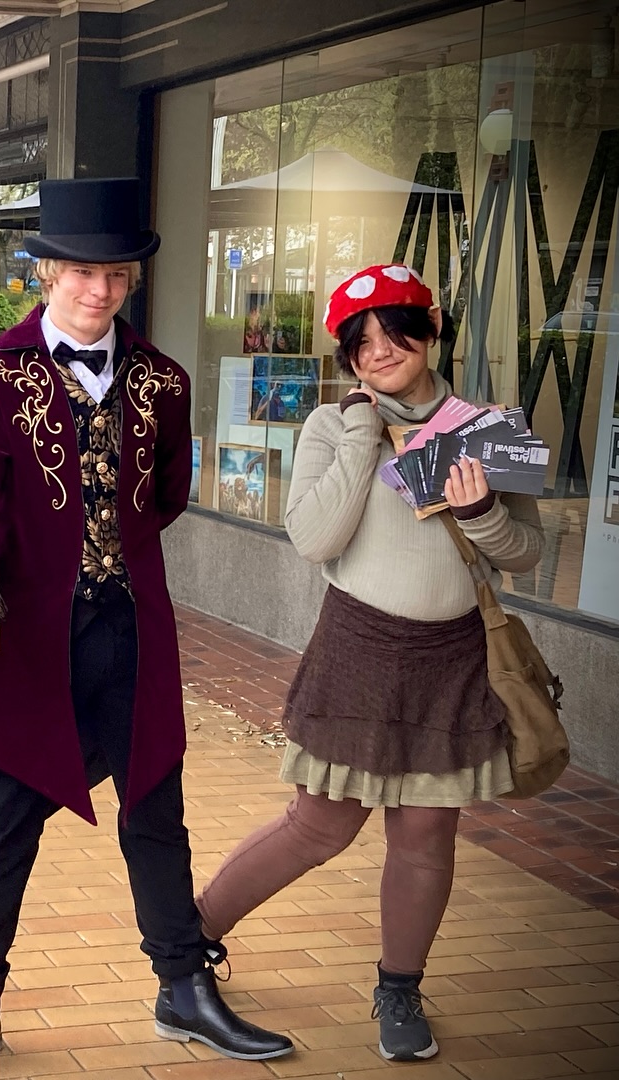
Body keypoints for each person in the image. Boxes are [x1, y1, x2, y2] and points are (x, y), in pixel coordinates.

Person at [0, 177, 294, 1080]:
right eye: (80, 272)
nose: (98, 291)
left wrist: (106, 552)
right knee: (1, 826)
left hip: (133, 632)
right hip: (31, 640)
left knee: (157, 807)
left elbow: (169, 500)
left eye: (114, 274)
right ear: (45, 274)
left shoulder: (164, 379)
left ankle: (184, 989)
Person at [195, 263, 543, 1062]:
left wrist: (482, 511)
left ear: (432, 331)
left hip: (453, 657)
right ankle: (193, 936)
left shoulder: (489, 426)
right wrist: (361, 429)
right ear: (347, 355)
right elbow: (316, 539)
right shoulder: (328, 425)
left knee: (426, 835)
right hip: (359, 647)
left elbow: (523, 555)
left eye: (397, 332)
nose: (381, 351)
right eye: (362, 342)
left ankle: (399, 988)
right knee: (320, 825)